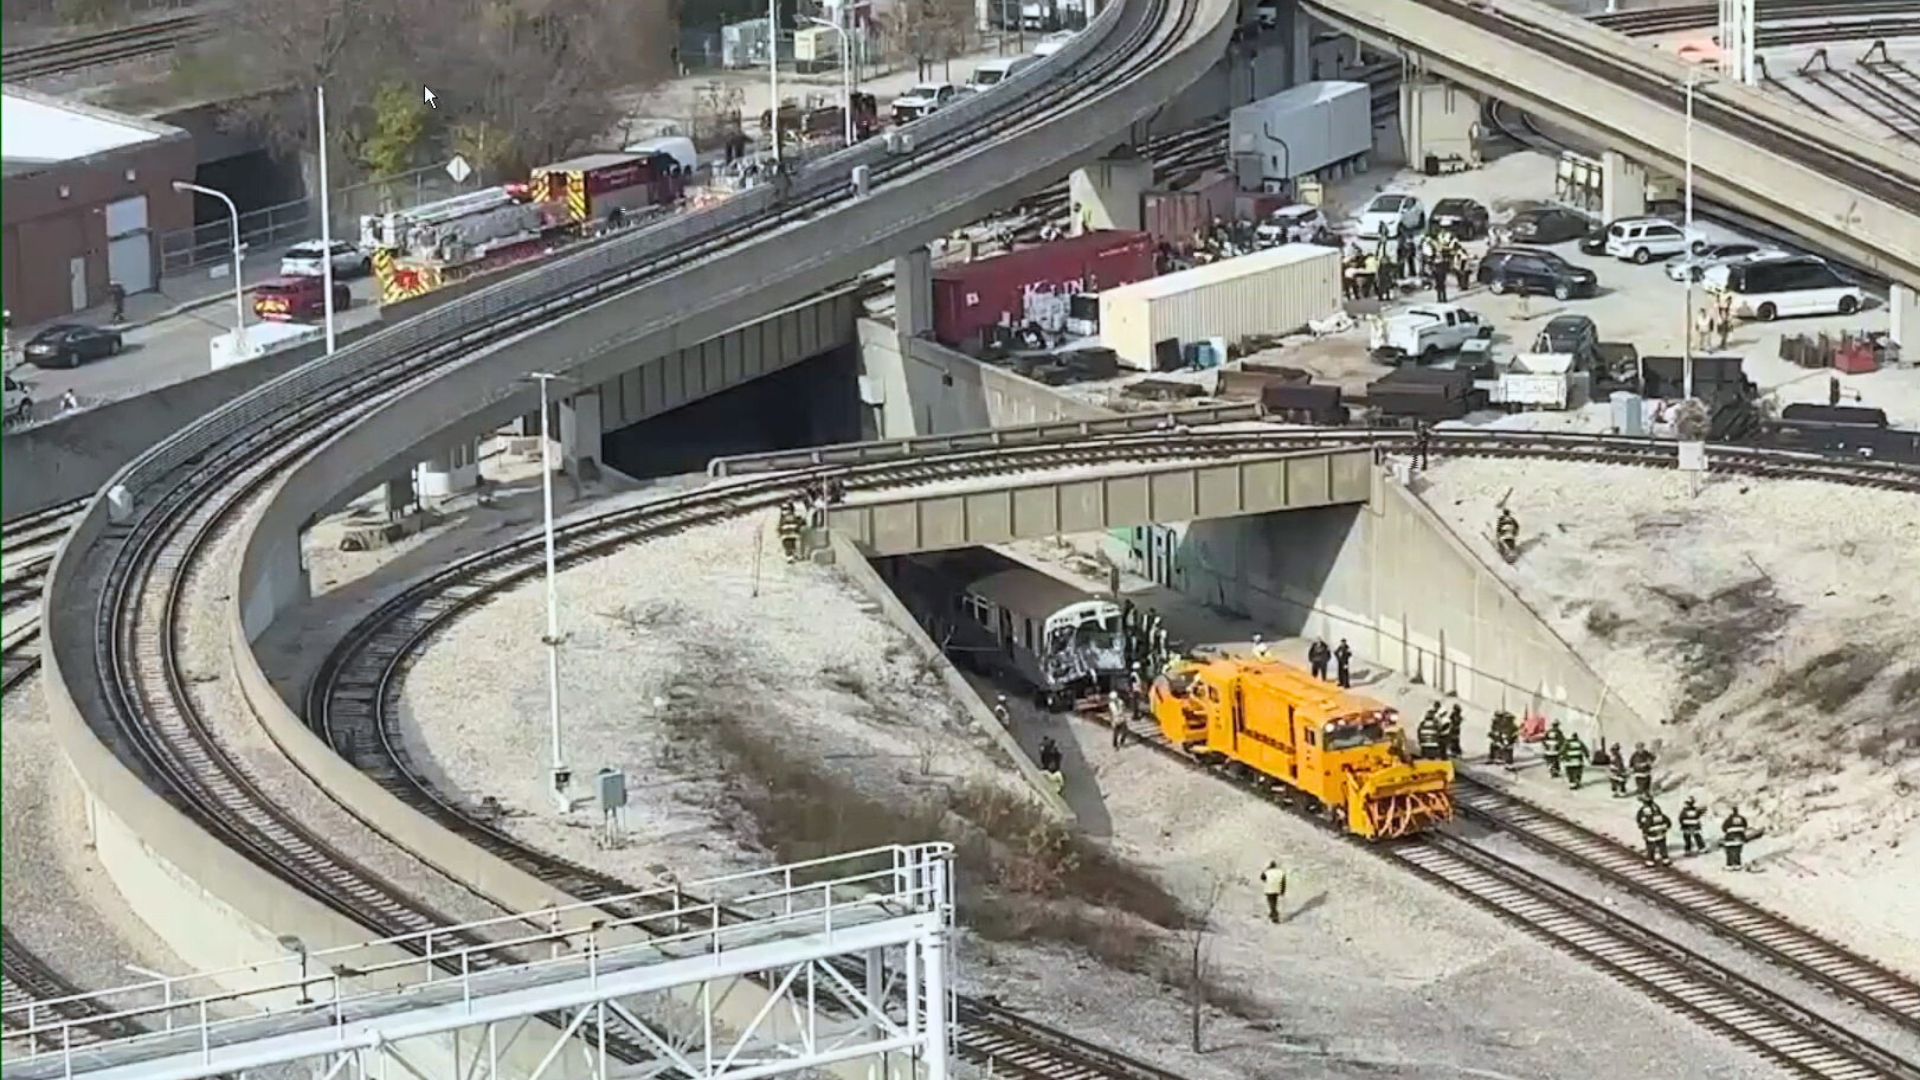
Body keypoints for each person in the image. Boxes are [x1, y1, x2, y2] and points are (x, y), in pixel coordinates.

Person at [1636, 796, 1673, 866]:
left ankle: (1650, 861)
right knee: (1662, 847)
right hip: (1661, 834)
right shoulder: (1660, 813)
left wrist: (1643, 830)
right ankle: (1665, 859)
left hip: (1651, 835)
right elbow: (1668, 823)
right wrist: (1664, 829)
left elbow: (1642, 822)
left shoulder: (1646, 814)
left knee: (1650, 848)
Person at [1721, 806, 1749, 870]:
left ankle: (1729, 865)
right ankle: (1737, 864)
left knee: (1729, 852)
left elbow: (1724, 828)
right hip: (1739, 837)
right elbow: (1745, 826)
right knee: (1737, 852)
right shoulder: (1742, 818)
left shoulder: (1728, 819)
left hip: (1730, 838)